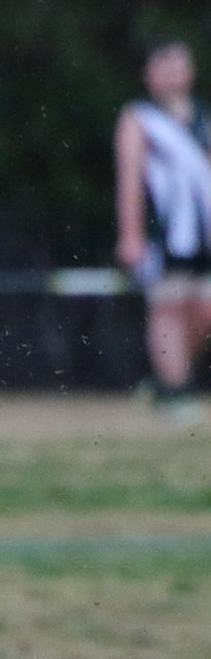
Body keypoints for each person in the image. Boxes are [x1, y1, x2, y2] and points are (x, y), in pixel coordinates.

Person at [115, 39, 211, 423]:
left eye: (178, 65)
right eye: (163, 65)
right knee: (169, 306)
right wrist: (131, 235)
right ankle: (175, 392)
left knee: (204, 310)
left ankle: (164, 377)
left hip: (202, 232)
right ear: (149, 73)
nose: (172, 74)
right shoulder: (139, 118)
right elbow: (129, 179)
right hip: (164, 232)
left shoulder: (203, 117)